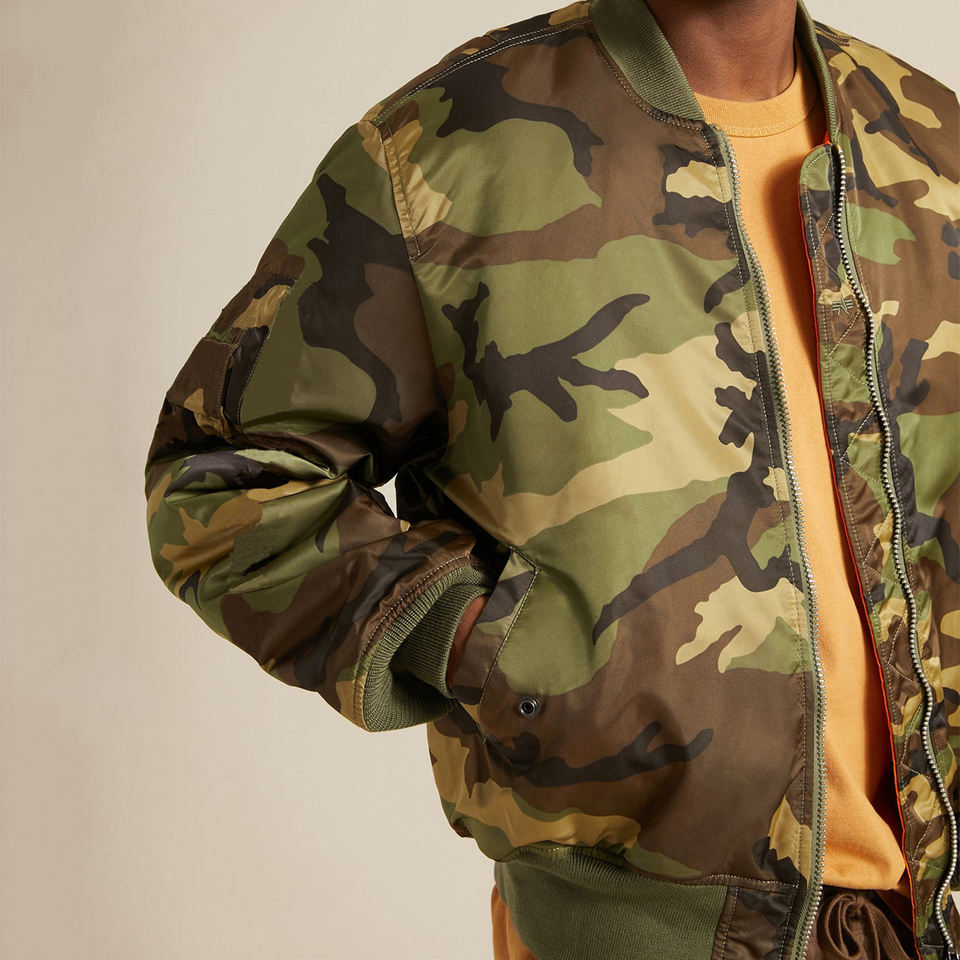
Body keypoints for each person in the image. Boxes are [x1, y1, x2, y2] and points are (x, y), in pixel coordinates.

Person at [142, 0, 960, 957]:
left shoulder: (930, 141)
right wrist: (488, 645)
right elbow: (222, 478)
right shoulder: (447, 149)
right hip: (628, 932)